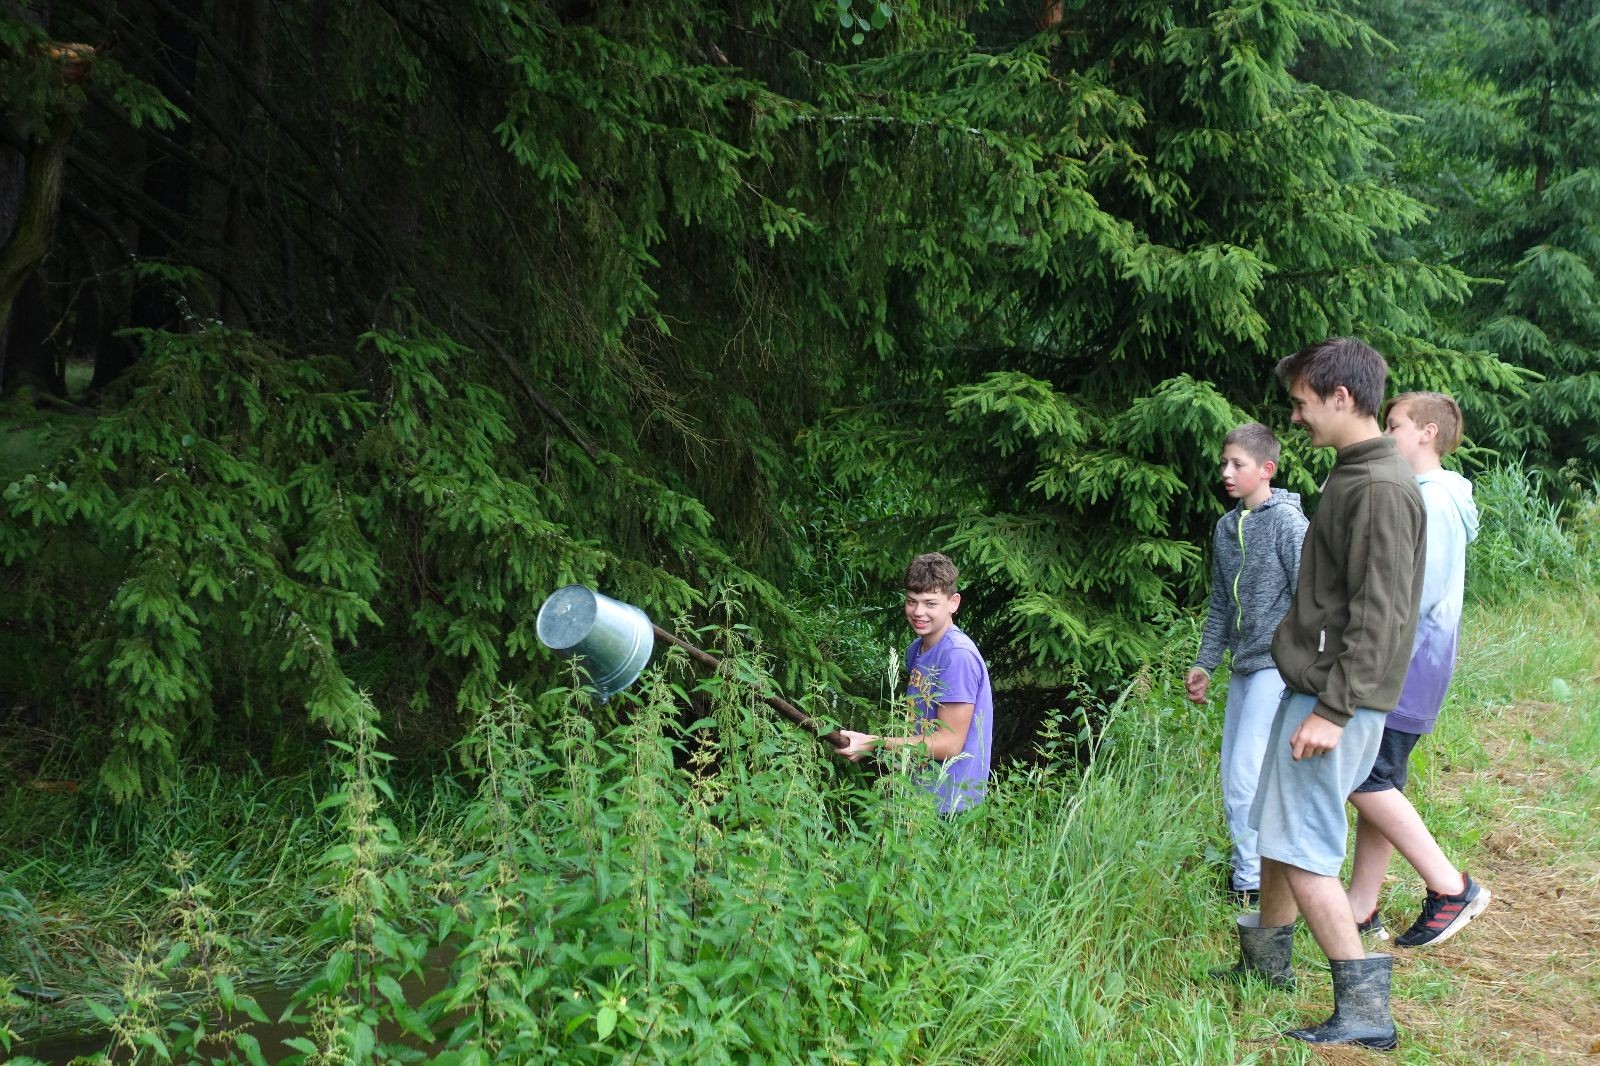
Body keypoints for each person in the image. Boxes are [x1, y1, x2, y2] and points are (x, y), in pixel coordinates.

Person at [1214, 337, 1425, 1052]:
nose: (1295, 416)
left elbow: (1381, 614)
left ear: (1341, 397)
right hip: (1313, 686)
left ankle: (1365, 1009)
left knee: (1303, 846)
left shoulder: (1379, 487)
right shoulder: (1353, 472)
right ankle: (1265, 966)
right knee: (1279, 830)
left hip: (1336, 697)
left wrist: (1335, 710)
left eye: (1302, 403)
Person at [1348, 392, 1489, 946]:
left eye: (1394, 425)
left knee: (1362, 776)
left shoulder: (1434, 500)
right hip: (1410, 662)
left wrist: (1367, 657)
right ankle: (1361, 908)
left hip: (1407, 663)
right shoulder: (1428, 494)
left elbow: (1415, 595)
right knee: (1380, 779)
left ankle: (1452, 887)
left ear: (1427, 433)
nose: (1386, 435)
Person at [1186, 423, 1307, 904]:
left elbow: (1311, 596)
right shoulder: (1224, 527)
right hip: (1242, 666)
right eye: (1224, 463)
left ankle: (1251, 881)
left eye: (1238, 464)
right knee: (1232, 773)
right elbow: (1220, 602)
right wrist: (1205, 664)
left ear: (1267, 469)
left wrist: (1306, 666)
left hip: (1277, 668)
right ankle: (1254, 870)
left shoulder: (1288, 524)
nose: (1227, 472)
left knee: (1245, 774)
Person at [835, 552, 994, 814]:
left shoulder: (957, 656)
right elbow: (920, 721)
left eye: (930, 603)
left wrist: (875, 743)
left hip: (950, 804)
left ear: (953, 603)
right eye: (911, 601)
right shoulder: (916, 650)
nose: (918, 612)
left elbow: (950, 744)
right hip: (918, 797)